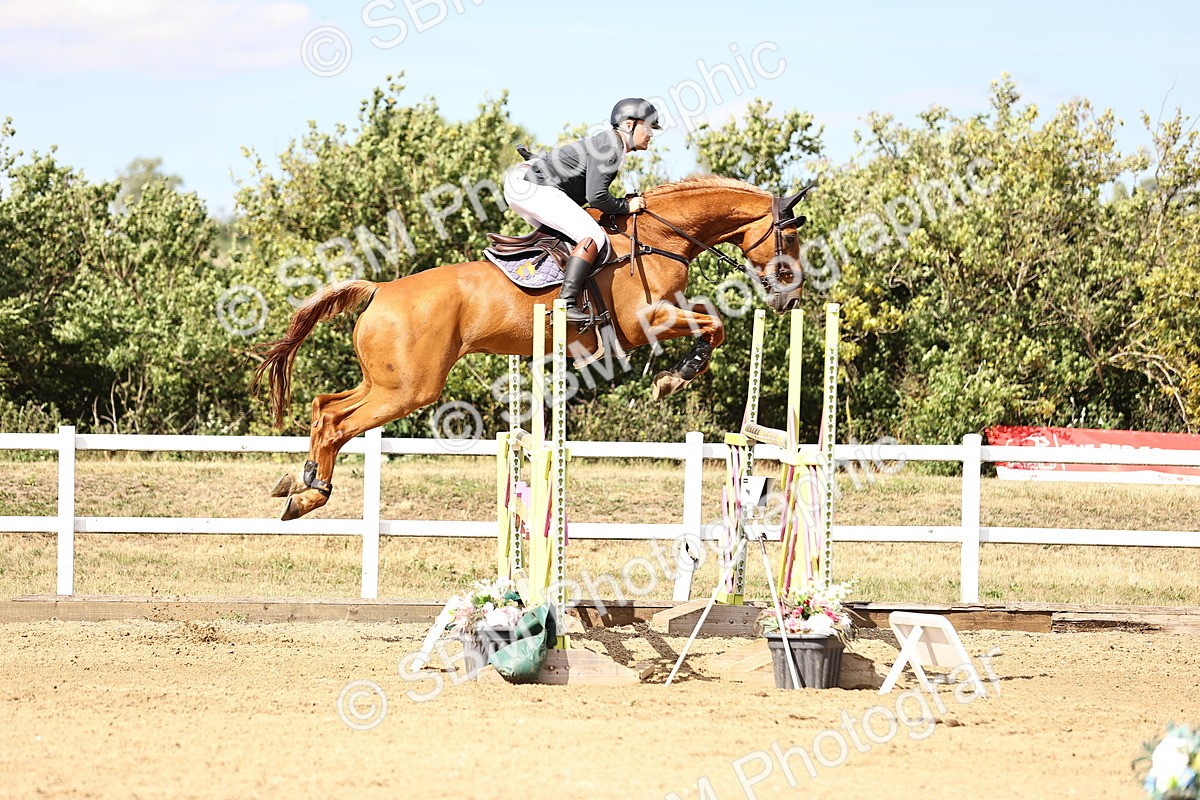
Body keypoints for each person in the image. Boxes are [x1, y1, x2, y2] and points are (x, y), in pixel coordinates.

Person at [503, 97, 660, 323]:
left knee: (568, 236)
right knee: (593, 236)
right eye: (648, 127)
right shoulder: (611, 146)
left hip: (524, 183)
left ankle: (543, 283)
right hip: (530, 186)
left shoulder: (608, 143)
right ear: (629, 125)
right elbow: (596, 197)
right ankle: (565, 305)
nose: (651, 135)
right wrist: (627, 206)